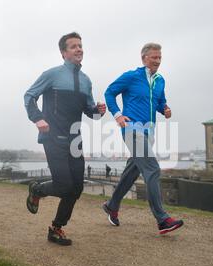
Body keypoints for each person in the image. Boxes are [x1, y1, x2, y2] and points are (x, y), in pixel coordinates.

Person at [24, 32, 106, 246]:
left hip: (75, 140)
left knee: (76, 188)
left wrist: (99, 111)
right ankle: (37, 189)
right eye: (73, 46)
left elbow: (91, 113)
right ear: (63, 53)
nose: (79, 49)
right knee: (62, 185)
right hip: (52, 137)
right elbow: (29, 96)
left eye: (80, 46)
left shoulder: (86, 80)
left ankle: (56, 228)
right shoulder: (51, 75)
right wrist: (38, 118)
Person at [102, 43, 184, 235]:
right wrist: (117, 115)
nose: (157, 61)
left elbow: (159, 101)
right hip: (131, 129)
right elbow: (109, 92)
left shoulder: (160, 80)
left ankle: (112, 205)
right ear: (144, 58)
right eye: (154, 57)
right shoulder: (132, 76)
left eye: (159, 58)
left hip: (149, 132)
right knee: (153, 169)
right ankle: (162, 220)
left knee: (132, 171)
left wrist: (165, 109)